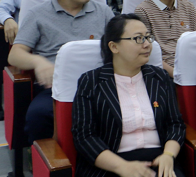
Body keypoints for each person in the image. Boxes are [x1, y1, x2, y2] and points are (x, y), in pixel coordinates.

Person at [8, 0, 114, 143]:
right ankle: (46, 157)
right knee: (38, 115)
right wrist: (39, 62)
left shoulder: (103, 11)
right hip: (57, 86)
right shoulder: (38, 13)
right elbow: (15, 55)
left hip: (99, 84)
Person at [72, 14, 187, 177]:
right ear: (114, 47)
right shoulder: (91, 81)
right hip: (110, 165)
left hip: (159, 160)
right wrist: (122, 167)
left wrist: (168, 155)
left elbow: (175, 124)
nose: (147, 44)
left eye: (148, 37)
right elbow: (84, 137)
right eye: (139, 38)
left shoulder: (159, 77)